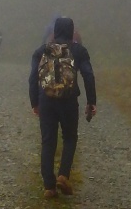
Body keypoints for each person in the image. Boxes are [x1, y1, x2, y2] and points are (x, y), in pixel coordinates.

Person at [28, 15, 97, 197]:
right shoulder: (79, 51)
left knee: (48, 141)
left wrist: (34, 102)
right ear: (71, 30)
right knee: (70, 138)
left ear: (55, 30)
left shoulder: (41, 51)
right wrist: (91, 101)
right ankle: (63, 175)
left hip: (46, 100)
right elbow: (88, 76)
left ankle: (49, 187)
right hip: (68, 101)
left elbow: (32, 78)